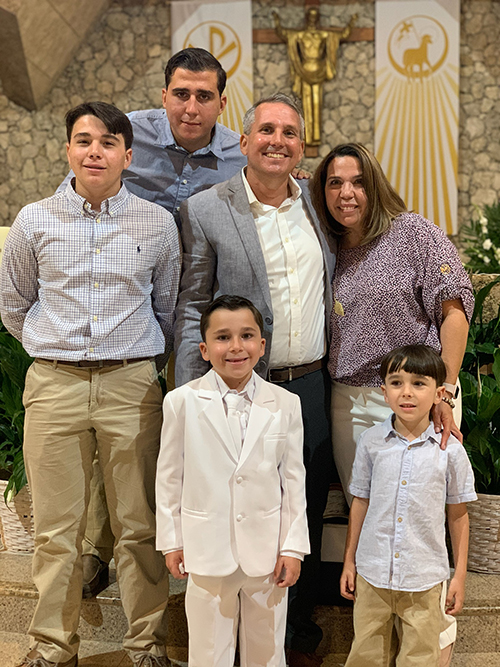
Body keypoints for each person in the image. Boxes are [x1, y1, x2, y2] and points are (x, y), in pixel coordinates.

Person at [0, 101, 181, 667]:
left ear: (128, 154)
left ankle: (145, 643)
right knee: (56, 530)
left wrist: (130, 358)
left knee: (138, 526)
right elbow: (13, 304)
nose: (94, 151)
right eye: (83, 140)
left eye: (107, 142)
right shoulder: (35, 220)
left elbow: (168, 308)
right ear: (68, 150)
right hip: (54, 386)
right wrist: (53, 346)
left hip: (131, 385)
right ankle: (52, 647)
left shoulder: (156, 222)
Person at [68, 47, 247, 598]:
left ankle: (196, 548)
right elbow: (81, 195)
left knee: (191, 438)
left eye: (203, 96)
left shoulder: (242, 156)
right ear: (163, 94)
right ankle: (100, 553)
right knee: (128, 438)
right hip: (131, 314)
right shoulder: (125, 137)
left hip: (202, 315)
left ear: (221, 101)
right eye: (180, 94)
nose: (190, 108)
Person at [175, 93, 335, 667]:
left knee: (303, 502)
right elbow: (193, 304)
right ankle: (225, 621)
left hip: (312, 381)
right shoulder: (208, 208)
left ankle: (293, 626)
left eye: (289, 133)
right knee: (233, 498)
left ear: (300, 146)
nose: (277, 141)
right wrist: (192, 393)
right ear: (243, 141)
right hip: (241, 382)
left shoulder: (318, 203)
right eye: (266, 130)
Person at [310, 142, 474, 665]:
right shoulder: (326, 243)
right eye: (334, 183)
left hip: (421, 393)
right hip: (349, 400)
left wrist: (442, 390)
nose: (346, 193)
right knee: (380, 516)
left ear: (373, 182)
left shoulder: (413, 232)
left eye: (356, 181)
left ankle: (434, 645)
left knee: (425, 520)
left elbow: (454, 310)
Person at [156, 295, 310, 667]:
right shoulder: (182, 402)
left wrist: (292, 547)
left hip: (267, 549)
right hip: (206, 548)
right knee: (208, 650)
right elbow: (168, 477)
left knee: (268, 649)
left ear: (262, 344)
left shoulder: (286, 403)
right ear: (205, 349)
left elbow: (293, 481)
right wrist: (171, 540)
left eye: (246, 335)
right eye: (223, 337)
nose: (236, 347)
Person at [340, 344, 477, 666]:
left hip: (425, 579)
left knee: (420, 658)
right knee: (365, 655)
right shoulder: (371, 442)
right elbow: (360, 502)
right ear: (384, 391)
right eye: (397, 382)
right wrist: (350, 562)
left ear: (439, 392)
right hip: (372, 574)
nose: (407, 392)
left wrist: (459, 577)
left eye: (419, 383)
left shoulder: (450, 451)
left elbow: (458, 516)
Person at [273, 8, 356, 146]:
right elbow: (283, 33)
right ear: (306, 19)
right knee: (305, 104)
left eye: (314, 17)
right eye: (310, 17)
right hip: (303, 70)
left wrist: (352, 22)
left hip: (318, 71)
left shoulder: (323, 35)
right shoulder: (300, 35)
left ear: (317, 19)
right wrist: (276, 20)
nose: (312, 20)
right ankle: (307, 136)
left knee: (317, 103)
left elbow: (342, 35)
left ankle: (315, 137)